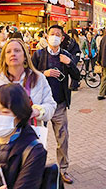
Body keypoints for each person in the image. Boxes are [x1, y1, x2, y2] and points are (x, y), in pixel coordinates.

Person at [31, 25, 80, 184]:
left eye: (58, 34)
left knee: (63, 138)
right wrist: (43, 73)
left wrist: (69, 63)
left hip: (59, 104)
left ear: (62, 38)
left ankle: (63, 169)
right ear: (46, 37)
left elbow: (77, 76)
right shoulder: (38, 55)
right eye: (52, 34)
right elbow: (29, 75)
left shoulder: (66, 55)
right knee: (38, 138)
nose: (54, 37)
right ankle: (36, 170)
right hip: (41, 106)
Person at [0, 38, 56, 129]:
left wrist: (37, 111)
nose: (13, 54)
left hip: (31, 138)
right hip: (2, 139)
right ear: (4, 58)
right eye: (8, 52)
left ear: (25, 56)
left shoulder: (38, 78)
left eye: (17, 50)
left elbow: (51, 106)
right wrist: (2, 121)